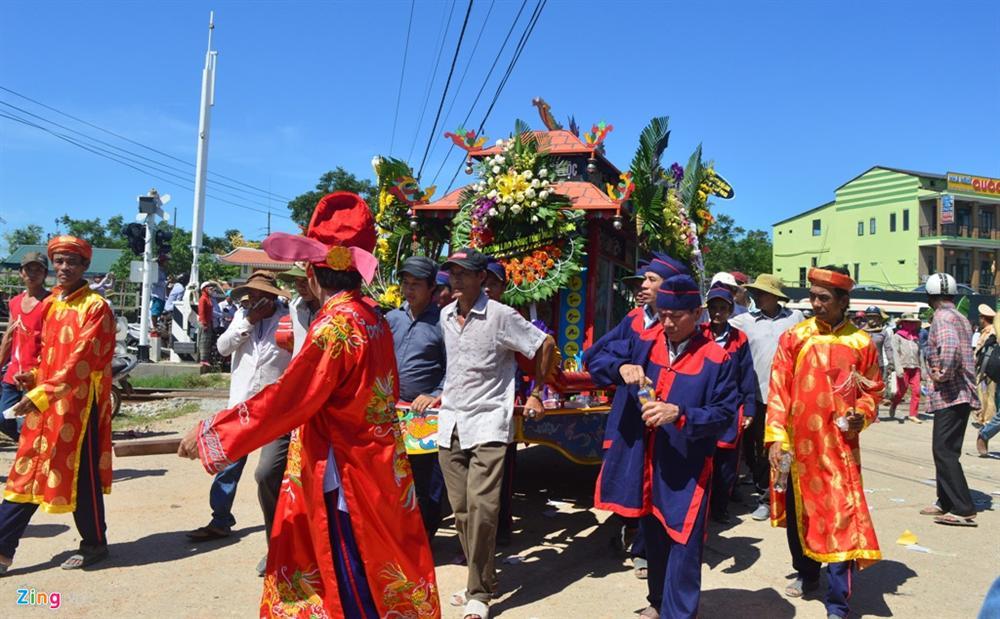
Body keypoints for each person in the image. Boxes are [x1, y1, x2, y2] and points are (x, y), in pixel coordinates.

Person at [179, 192, 439, 616]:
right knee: (373, 563)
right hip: (372, 462)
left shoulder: (335, 326)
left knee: (346, 566)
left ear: (314, 272)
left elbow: (289, 399)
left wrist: (214, 436)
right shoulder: (372, 318)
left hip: (342, 470)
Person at [589, 270, 738, 619]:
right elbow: (594, 358)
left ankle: (680, 613)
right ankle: (657, 602)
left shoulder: (717, 359)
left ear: (697, 314)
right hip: (643, 460)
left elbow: (723, 414)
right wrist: (620, 366)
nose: (667, 323)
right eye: (664, 314)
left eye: (676, 316)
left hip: (686, 466)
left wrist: (680, 413)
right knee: (653, 535)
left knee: (683, 542)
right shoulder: (645, 340)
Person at [437, 247, 554, 619]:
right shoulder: (444, 315)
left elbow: (544, 345)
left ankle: (480, 593)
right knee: (461, 512)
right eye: (451, 273)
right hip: (451, 423)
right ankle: (480, 577)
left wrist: (536, 392)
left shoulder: (502, 316)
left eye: (462, 273)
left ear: (481, 278)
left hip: (488, 422)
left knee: (483, 510)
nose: (455, 279)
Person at [766, 266, 882, 618]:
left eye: (824, 299)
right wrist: (775, 438)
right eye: (812, 297)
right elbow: (778, 390)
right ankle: (806, 573)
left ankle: (837, 603)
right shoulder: (795, 338)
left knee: (841, 518)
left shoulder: (861, 344)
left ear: (844, 301)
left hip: (840, 450)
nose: (815, 304)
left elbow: (872, 391)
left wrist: (864, 413)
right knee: (801, 515)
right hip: (798, 448)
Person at [0, 236, 116, 575]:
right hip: (45, 399)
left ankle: (95, 544)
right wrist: (33, 376)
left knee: (81, 475)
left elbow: (81, 362)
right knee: (28, 468)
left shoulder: (96, 307)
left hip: (79, 405)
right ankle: (3, 549)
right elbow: (49, 353)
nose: (64, 268)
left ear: (84, 267)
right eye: (60, 262)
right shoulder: (53, 303)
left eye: (71, 262)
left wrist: (40, 393)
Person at [583, 253, 684, 579]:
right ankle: (639, 543)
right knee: (636, 480)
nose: (644, 285)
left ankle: (652, 549)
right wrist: (620, 366)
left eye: (651, 280)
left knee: (665, 485)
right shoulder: (634, 321)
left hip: (672, 420)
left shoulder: (690, 325)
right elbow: (596, 357)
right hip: (634, 419)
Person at [186, 271, 291, 546]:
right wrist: (247, 322)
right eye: (251, 295)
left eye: (260, 296)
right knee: (229, 464)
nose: (254, 300)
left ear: (272, 296)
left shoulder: (289, 318)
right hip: (241, 404)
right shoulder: (241, 317)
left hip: (273, 408)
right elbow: (221, 348)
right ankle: (220, 520)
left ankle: (278, 532)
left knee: (269, 471)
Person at [730, 273, 805, 521]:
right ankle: (765, 494)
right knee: (760, 449)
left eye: (762, 293)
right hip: (758, 395)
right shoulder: (744, 321)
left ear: (774, 297)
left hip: (789, 395)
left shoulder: (795, 318)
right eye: (756, 293)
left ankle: (782, 496)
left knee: (786, 447)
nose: (757, 297)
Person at [385, 256, 448, 539]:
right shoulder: (391, 319)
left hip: (425, 416)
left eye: (416, 285)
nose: (409, 290)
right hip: (390, 412)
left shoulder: (444, 324)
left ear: (432, 288)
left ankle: (424, 538)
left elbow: (453, 368)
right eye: (405, 283)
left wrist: (436, 394)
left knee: (425, 481)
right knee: (392, 478)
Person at [921, 273, 979, 527]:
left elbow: (951, 347)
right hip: (960, 394)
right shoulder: (961, 317)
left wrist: (940, 374)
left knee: (944, 451)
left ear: (929, 296)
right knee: (944, 449)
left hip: (951, 394)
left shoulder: (941, 318)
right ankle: (944, 500)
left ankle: (963, 508)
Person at [702, 286, 757, 524]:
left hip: (730, 409)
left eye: (722, 308)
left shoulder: (739, 339)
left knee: (726, 463)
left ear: (730, 311)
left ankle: (720, 508)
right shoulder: (698, 334)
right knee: (702, 459)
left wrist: (750, 409)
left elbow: (747, 376)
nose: (717, 312)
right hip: (702, 407)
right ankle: (700, 508)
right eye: (713, 307)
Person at [0, 252, 50, 442]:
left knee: (30, 424)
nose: (33, 273)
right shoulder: (14, 302)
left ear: (45, 274)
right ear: (21, 273)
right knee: (3, 419)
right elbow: (9, 336)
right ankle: (27, 449)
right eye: (28, 268)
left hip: (36, 376)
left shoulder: (50, 302)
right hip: (13, 374)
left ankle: (30, 461)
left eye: (38, 269)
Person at [886, 314, 924, 422]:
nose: (910, 324)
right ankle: (894, 404)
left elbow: (920, 353)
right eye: (908, 322)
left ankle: (913, 414)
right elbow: (895, 353)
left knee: (917, 391)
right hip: (903, 367)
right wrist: (898, 368)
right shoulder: (897, 337)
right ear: (902, 324)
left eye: (912, 323)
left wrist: (923, 369)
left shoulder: (916, 338)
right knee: (901, 391)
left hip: (915, 367)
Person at [973, 304, 996, 426]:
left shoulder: (992, 332)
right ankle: (982, 417)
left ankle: (988, 419)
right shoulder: (985, 332)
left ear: (983, 318)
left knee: (989, 394)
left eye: (981, 317)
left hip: (988, 368)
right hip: (982, 367)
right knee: (982, 393)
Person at [197, 280, 218, 370]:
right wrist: (204, 323)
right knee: (203, 341)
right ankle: (203, 359)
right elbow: (201, 312)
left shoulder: (208, 299)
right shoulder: (203, 299)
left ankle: (205, 359)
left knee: (207, 341)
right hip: (205, 323)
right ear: (204, 289)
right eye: (209, 288)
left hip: (209, 323)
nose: (211, 289)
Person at [150, 252, 169, 323]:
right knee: (155, 312)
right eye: (166, 261)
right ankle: (154, 326)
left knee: (159, 312)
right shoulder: (156, 270)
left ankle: (157, 325)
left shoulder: (162, 270)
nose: (167, 263)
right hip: (157, 295)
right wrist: (167, 282)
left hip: (162, 295)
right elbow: (155, 281)